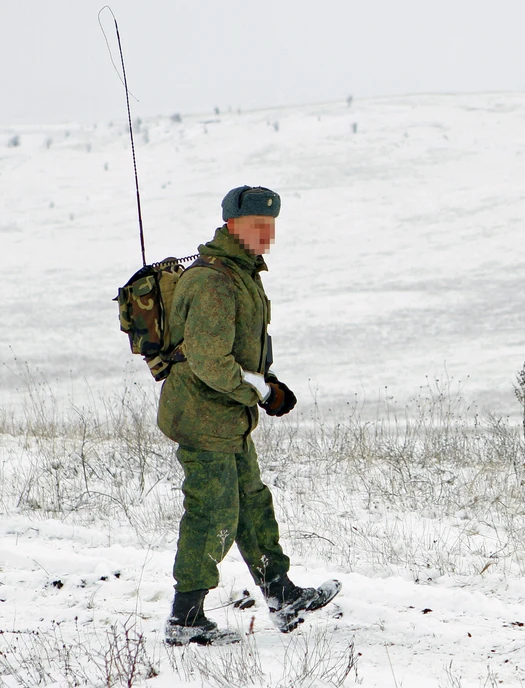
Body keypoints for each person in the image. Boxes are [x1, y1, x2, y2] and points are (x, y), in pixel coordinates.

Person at [157, 185, 340, 646]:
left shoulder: (240, 274)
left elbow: (240, 347)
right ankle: (186, 619)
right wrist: (259, 391)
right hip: (203, 416)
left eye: (270, 226)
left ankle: (281, 595)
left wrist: (267, 383)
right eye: (258, 226)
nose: (266, 236)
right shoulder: (214, 281)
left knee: (252, 503)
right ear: (232, 225)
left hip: (227, 414)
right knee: (212, 511)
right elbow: (209, 360)